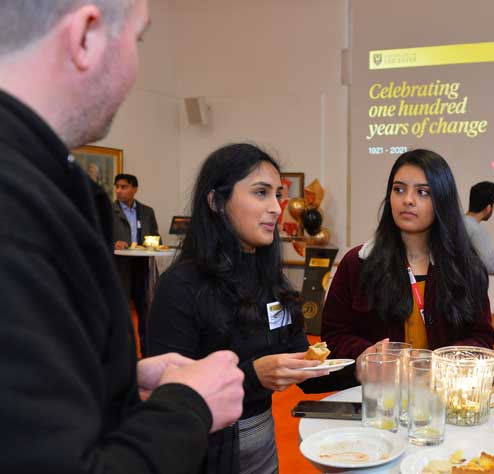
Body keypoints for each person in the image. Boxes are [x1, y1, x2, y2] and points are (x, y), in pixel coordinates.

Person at [0, 1, 245, 473]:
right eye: (137, 40)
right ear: (87, 36)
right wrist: (189, 404)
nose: (135, 68)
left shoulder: (40, 184)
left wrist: (117, 379)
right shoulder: (17, 211)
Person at [148, 143, 337, 474]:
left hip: (263, 443)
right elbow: (169, 393)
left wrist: (365, 366)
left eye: (278, 195)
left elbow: (304, 369)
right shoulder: (181, 286)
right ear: (216, 201)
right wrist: (253, 374)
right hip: (203, 453)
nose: (277, 208)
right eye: (261, 193)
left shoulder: (272, 281)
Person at [321, 149, 494, 362]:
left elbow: (482, 336)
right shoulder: (357, 263)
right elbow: (333, 335)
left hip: (444, 391)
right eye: (399, 190)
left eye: (422, 192)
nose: (408, 200)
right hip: (379, 391)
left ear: (442, 200)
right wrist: (367, 353)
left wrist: (449, 359)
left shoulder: (465, 266)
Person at [112, 173, 159, 354]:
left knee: (145, 312)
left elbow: (155, 236)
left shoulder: (147, 212)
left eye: (124, 187)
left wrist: (152, 243)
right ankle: (123, 355)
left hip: (142, 266)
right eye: (117, 187)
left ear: (134, 189)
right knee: (121, 313)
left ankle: (147, 354)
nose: (119, 191)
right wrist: (113, 243)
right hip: (119, 267)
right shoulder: (108, 210)